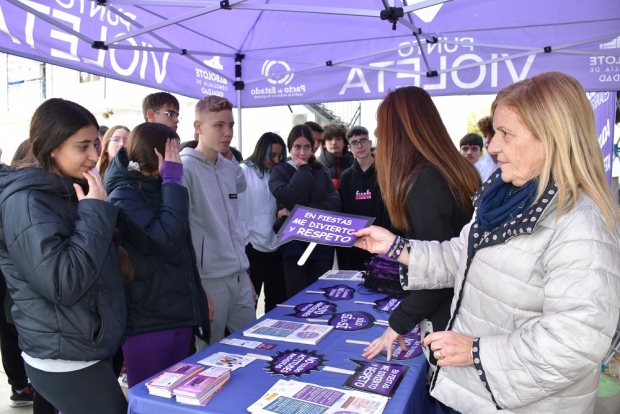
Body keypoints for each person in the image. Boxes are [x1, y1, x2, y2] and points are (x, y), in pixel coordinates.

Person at [354, 72, 620, 413]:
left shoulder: (581, 222)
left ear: (551, 137)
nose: (492, 146)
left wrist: (476, 351)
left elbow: (575, 341)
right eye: (494, 133)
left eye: (506, 134)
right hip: (479, 394)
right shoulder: (505, 197)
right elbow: (460, 257)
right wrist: (395, 247)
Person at [0, 98, 130, 414]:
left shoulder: (66, 187)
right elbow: (63, 283)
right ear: (52, 148)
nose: (95, 155)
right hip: (62, 355)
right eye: (82, 146)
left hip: (84, 344)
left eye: (96, 143)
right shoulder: (27, 202)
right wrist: (96, 212)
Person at [356, 86, 479, 377]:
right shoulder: (453, 170)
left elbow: (441, 271)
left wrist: (398, 323)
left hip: (450, 325)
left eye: (380, 131)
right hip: (466, 312)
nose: (377, 139)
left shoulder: (424, 181)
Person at [104, 122, 211, 388]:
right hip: (148, 322)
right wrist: (173, 181)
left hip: (177, 313)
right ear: (158, 154)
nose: (178, 159)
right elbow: (167, 239)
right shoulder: (124, 194)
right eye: (172, 150)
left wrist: (198, 296)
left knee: (176, 397)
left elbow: (183, 254)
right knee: (152, 397)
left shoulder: (159, 187)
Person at [181, 95, 256, 348]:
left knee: (252, 345)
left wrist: (244, 271)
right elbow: (180, 232)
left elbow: (241, 189)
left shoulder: (227, 166)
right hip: (209, 280)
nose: (228, 132)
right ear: (198, 127)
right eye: (219, 125)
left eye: (231, 125)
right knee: (208, 354)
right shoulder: (184, 168)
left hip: (239, 275)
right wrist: (196, 286)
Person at [269, 124, 341, 297]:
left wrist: (297, 212)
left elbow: (334, 203)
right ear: (290, 147)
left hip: (320, 242)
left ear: (312, 147)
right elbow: (290, 196)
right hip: (294, 244)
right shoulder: (280, 171)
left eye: (306, 147)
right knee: (297, 298)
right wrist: (303, 170)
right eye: (297, 147)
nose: (302, 153)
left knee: (319, 296)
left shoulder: (321, 172)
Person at [238, 132, 288, 312]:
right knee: (249, 302)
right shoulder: (243, 171)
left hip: (276, 245)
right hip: (252, 247)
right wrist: (244, 243)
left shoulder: (280, 173)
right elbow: (239, 212)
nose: (275, 160)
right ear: (261, 150)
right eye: (272, 155)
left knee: (277, 303)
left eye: (279, 156)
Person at [338, 126, 394, 270]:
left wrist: (383, 232)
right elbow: (344, 210)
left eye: (363, 140)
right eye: (355, 142)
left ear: (370, 143)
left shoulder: (385, 172)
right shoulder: (346, 176)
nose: (360, 145)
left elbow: (390, 208)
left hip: (381, 240)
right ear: (350, 147)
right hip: (356, 242)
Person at [318, 122, 353, 190]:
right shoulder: (317, 166)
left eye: (338, 139)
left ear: (345, 142)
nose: (334, 142)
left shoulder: (355, 165)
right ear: (324, 143)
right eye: (330, 139)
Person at [475, 115, 500, 181]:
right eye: (485, 136)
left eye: (493, 135)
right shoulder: (476, 168)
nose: (487, 140)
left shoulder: (512, 166)